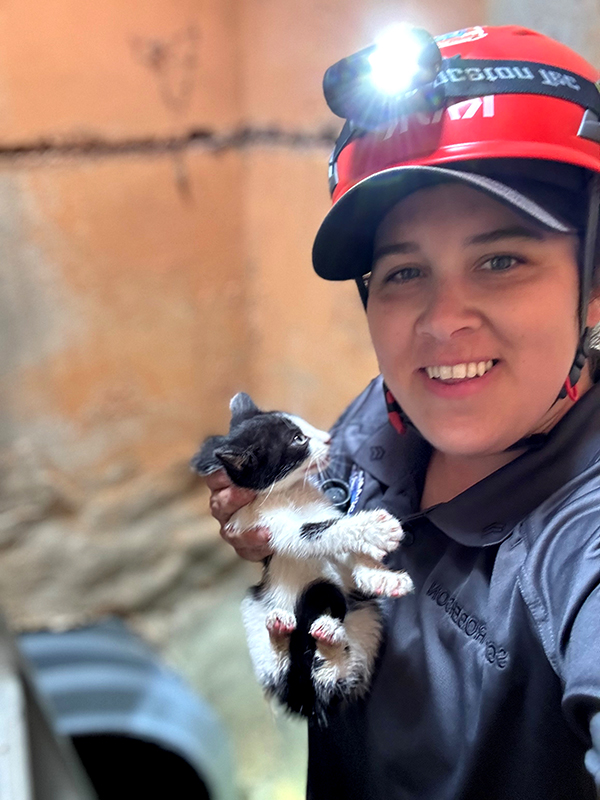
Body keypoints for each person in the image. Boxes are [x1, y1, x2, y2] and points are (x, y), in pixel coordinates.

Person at [207, 24, 600, 799]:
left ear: (593, 279)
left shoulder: (581, 549)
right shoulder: (391, 417)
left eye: (501, 260)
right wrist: (296, 545)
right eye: (402, 272)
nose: (441, 320)